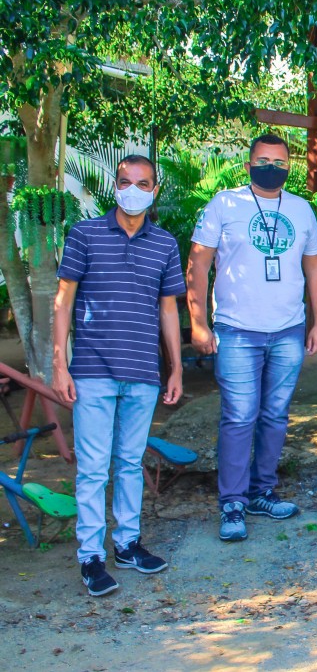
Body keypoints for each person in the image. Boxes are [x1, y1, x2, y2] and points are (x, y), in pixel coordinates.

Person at [53, 155, 185, 596]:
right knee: (92, 469)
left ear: (154, 190)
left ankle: (127, 544)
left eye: (142, 183)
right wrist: (59, 363)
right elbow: (63, 300)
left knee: (129, 463)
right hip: (92, 370)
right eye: (125, 181)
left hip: (143, 372)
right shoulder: (85, 234)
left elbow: (169, 308)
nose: (133, 189)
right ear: (115, 185)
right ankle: (90, 556)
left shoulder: (164, 243)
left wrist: (176, 368)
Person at [187, 133, 317, 541]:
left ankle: (262, 491)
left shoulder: (300, 210)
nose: (272, 166)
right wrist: (198, 322)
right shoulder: (224, 204)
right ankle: (232, 503)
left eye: (280, 161)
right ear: (248, 166)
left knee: (275, 416)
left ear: (289, 166)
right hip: (236, 330)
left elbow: (316, 268)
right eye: (263, 160)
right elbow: (198, 264)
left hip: (287, 330)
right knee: (239, 416)